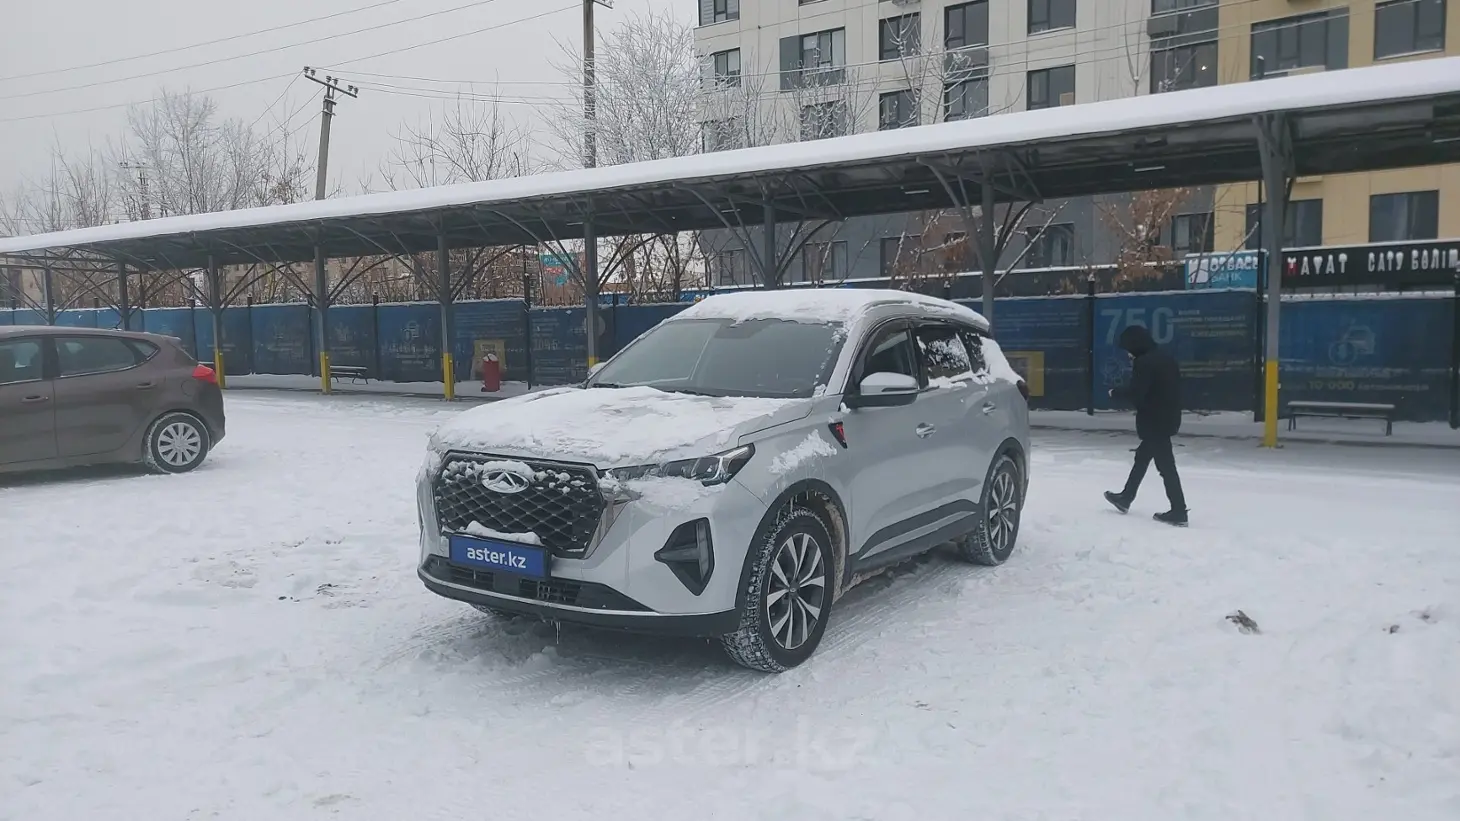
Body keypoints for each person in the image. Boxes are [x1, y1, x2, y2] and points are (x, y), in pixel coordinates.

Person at [1103, 324, 1188, 526]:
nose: (1128, 354)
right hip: (1168, 417)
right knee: (1142, 457)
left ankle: (1179, 511)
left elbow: (1137, 393)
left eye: (1128, 349)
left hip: (1154, 421)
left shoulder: (1144, 363)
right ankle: (1126, 497)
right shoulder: (1166, 359)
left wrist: (1115, 393)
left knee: (1166, 467)